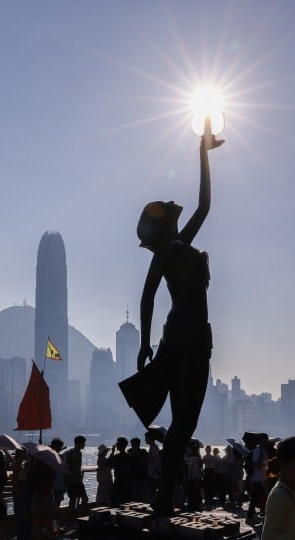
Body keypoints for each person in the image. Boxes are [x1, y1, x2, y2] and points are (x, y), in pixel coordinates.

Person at [119, 119, 222, 516]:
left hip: (195, 336)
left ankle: (165, 496)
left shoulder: (184, 244)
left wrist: (203, 153)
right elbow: (146, 297)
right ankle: (164, 496)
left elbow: (206, 204)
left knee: (186, 421)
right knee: (184, 421)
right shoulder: (167, 254)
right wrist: (144, 342)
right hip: (183, 337)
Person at [246, 436, 269, 523]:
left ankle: (253, 516)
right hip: (258, 478)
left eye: (267, 439)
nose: (267, 441)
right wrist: (262, 463)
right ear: (261, 441)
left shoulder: (264, 450)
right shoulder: (257, 451)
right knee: (259, 497)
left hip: (263, 477)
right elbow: (255, 464)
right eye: (265, 439)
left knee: (257, 498)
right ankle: (251, 516)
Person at [63, 436, 89, 511]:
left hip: (78, 480)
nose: (84, 445)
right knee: (73, 499)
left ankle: (77, 512)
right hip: (71, 481)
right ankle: (71, 516)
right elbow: (65, 466)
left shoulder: (79, 453)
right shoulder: (70, 453)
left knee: (85, 498)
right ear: (79, 443)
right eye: (83, 443)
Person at [110, 437, 134, 506]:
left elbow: (109, 463)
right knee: (126, 503)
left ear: (120, 445)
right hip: (127, 483)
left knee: (115, 503)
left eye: (117, 443)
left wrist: (112, 452)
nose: (116, 444)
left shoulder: (117, 457)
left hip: (118, 482)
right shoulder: (129, 457)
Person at [183, 444, 203, 511]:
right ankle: (196, 505)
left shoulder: (193, 458)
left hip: (193, 477)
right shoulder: (198, 457)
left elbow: (185, 459)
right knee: (195, 492)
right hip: (195, 477)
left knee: (193, 493)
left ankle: (194, 506)